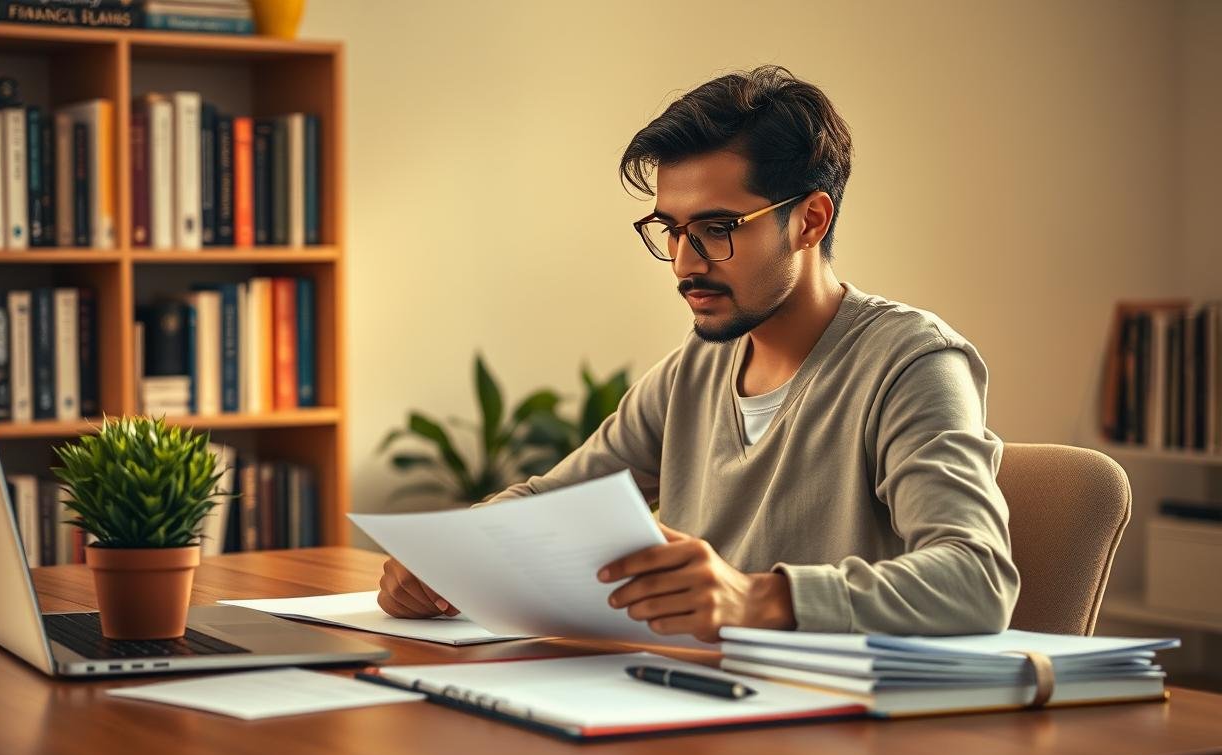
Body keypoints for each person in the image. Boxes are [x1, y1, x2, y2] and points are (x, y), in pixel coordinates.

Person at [377, 65, 1019, 642]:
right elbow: (551, 498)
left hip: (830, 725)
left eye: (717, 230)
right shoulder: (697, 366)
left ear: (810, 221)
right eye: (672, 231)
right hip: (683, 701)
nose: (685, 264)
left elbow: (977, 578)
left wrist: (756, 596)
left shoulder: (913, 364)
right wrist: (445, 557)